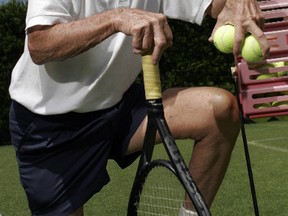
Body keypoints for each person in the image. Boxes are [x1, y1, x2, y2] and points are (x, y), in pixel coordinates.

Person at [9, 0, 270, 215]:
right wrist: (116, 19)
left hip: (118, 107)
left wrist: (240, 5)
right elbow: (40, 45)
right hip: (49, 127)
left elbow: (219, 4)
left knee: (219, 111)